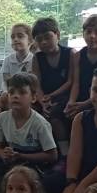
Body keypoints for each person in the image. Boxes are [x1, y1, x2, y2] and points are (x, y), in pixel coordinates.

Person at [0, 72, 58, 172]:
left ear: (33, 98)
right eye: (11, 92)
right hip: (12, 163)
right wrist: (3, 154)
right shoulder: (2, 118)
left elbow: (52, 156)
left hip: (35, 166)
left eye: (22, 92)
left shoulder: (40, 123)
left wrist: (21, 156)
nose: (15, 96)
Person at [33, 17, 74, 150]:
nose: (44, 42)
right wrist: (42, 101)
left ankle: (64, 152)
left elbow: (70, 81)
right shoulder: (37, 58)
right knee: (28, 110)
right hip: (44, 97)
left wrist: (52, 96)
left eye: (47, 37)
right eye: (39, 39)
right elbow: (36, 83)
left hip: (64, 95)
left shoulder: (70, 53)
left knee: (54, 115)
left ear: (57, 35)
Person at [66, 14, 97, 119]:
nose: (92, 36)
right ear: (83, 34)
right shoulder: (77, 55)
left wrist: (85, 104)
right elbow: (76, 83)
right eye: (88, 32)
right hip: (80, 97)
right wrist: (71, 102)